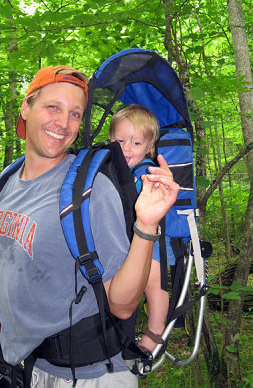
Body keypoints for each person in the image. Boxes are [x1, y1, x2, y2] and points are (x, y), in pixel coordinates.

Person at [0, 66, 179, 388]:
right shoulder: (5, 184)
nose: (63, 123)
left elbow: (122, 306)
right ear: (26, 108)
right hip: (24, 367)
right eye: (53, 107)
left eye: (75, 114)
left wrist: (147, 223)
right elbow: (5, 272)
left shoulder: (91, 189)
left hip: (88, 376)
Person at [109, 104, 176, 353]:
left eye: (136, 144)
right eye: (121, 140)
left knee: (154, 282)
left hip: (155, 239)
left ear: (148, 148)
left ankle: (155, 331)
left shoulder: (148, 173)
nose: (126, 148)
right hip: (128, 240)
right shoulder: (110, 170)